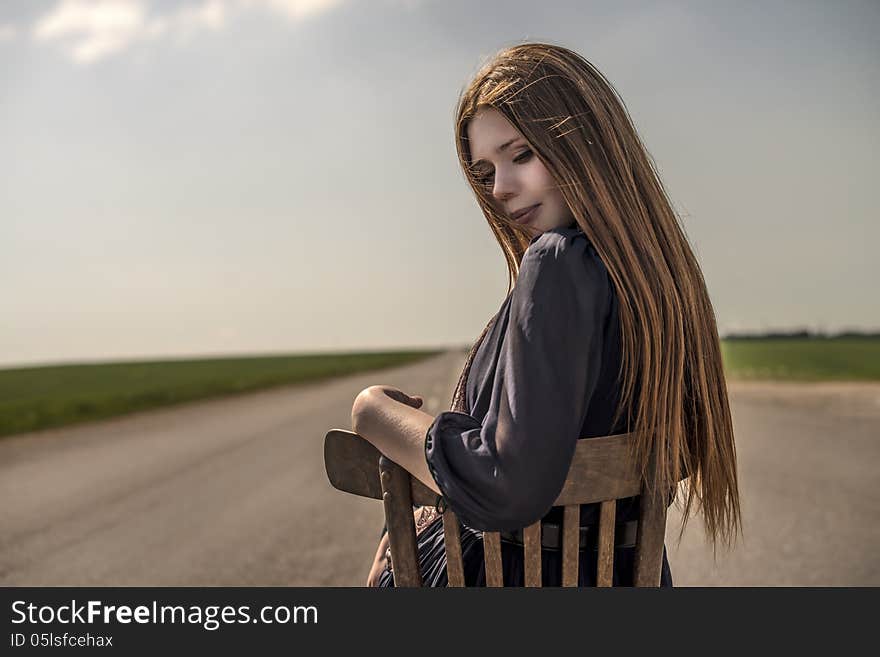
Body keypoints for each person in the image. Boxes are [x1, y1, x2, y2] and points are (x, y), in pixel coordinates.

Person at [351, 42, 741, 587]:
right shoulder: (657, 281)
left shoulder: (557, 263)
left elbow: (508, 482)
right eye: (486, 170)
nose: (501, 189)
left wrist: (373, 415)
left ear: (585, 144)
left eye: (521, 155)